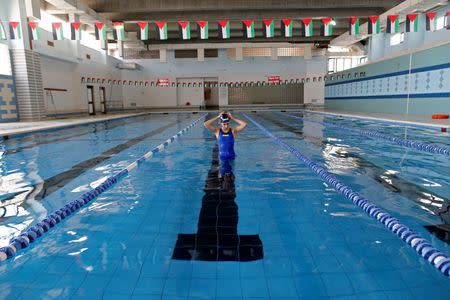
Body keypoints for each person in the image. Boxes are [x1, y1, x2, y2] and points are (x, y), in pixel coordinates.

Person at [204, 112, 247, 179]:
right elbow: (206, 124)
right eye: (224, 124)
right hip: (222, 158)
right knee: (221, 176)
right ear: (221, 123)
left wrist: (232, 118)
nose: (226, 126)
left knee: (231, 176)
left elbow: (244, 124)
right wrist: (217, 117)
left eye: (227, 124)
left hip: (231, 158)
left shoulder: (233, 131)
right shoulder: (217, 131)